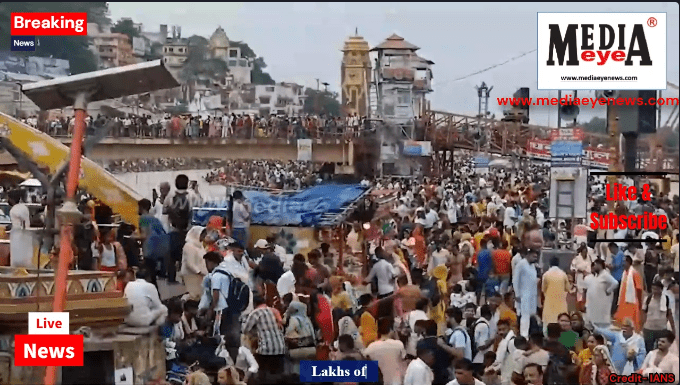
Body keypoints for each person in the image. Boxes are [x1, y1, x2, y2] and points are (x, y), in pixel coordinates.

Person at [242, 294, 287, 383]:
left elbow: (245, 329)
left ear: (253, 304)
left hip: (266, 349)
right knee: (277, 376)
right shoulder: (272, 311)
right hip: (280, 347)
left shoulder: (255, 312)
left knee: (262, 375)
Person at [362, 317, 406, 385]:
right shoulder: (398, 345)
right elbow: (402, 360)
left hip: (378, 382)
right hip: (396, 381)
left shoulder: (371, 347)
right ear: (392, 329)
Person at [583, 258, 619, 329]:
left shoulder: (605, 274)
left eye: (596, 265)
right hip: (595, 303)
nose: (594, 267)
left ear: (600, 265)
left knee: (601, 324)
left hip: (602, 302)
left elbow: (615, 283)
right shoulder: (597, 275)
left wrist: (608, 290)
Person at [641, 281, 676, 353]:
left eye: (656, 289)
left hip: (661, 329)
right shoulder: (648, 299)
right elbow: (643, 313)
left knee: (660, 349)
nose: (655, 291)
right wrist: (641, 326)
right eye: (653, 289)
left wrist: (673, 328)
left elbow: (669, 314)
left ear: (661, 289)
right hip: (649, 328)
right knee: (648, 349)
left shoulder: (666, 299)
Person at [513, 248, 539, 338]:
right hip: (523, 294)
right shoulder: (521, 264)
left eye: (536, 256)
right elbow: (515, 279)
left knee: (531, 315)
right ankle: (523, 336)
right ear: (528, 255)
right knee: (524, 316)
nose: (535, 258)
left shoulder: (532, 266)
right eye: (533, 256)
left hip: (532, 294)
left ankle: (529, 335)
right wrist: (517, 294)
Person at [614, 256, 644, 331]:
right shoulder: (624, 273)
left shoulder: (635, 273)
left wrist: (640, 302)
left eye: (625, 261)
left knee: (632, 324)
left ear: (629, 263)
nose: (623, 263)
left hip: (632, 302)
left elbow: (639, 289)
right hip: (623, 302)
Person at [180, 226, 208, 301]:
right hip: (191, 275)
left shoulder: (200, 245)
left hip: (200, 275)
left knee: (199, 295)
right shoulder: (189, 246)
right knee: (193, 295)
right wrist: (198, 272)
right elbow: (190, 263)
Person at [8, 189, 33, 268]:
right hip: (27, 233)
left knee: (17, 256)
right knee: (26, 255)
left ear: (12, 199)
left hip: (17, 234)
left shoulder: (13, 210)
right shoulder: (24, 207)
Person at [542, 257, 570, 326]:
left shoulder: (546, 274)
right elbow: (567, 289)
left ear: (550, 264)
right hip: (561, 303)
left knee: (548, 323)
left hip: (549, 303)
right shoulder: (563, 274)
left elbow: (543, 289)